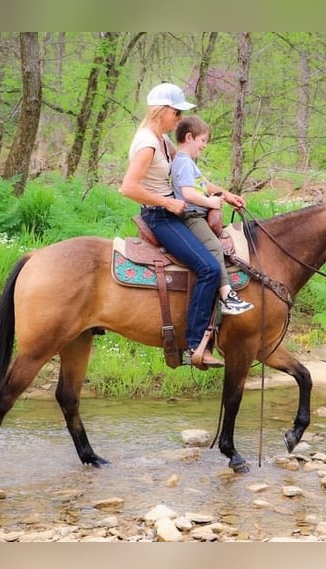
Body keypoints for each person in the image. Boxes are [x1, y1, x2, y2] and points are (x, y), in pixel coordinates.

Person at [120, 82, 224, 369]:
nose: (179, 119)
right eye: (176, 113)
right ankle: (194, 345)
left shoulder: (162, 140)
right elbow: (128, 187)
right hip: (160, 216)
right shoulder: (148, 144)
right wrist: (166, 203)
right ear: (162, 110)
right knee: (209, 268)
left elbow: (190, 178)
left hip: (172, 211)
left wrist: (222, 194)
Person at [171, 115, 254, 316]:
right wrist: (211, 202)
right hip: (191, 216)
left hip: (198, 213)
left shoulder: (188, 162)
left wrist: (226, 195)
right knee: (214, 247)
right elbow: (189, 193)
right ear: (189, 137)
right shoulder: (182, 162)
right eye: (202, 141)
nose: (204, 146)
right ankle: (227, 296)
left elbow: (202, 185)